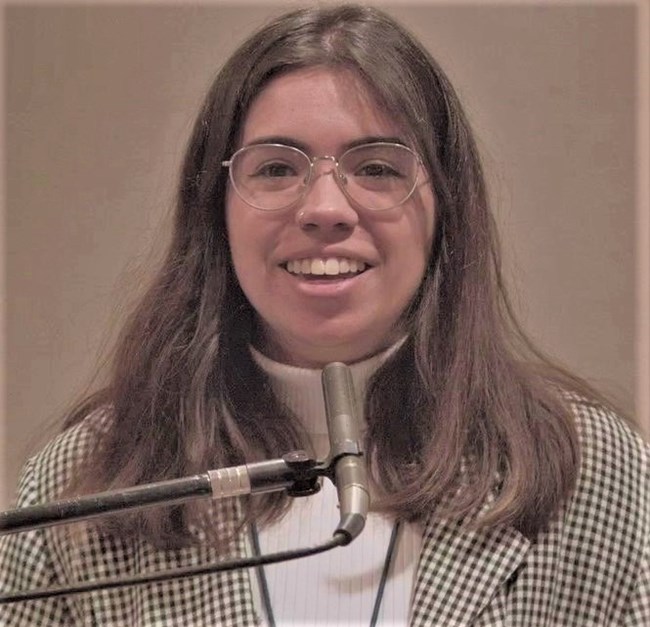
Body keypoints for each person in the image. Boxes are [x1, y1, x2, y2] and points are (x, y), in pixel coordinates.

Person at [1, 4, 648, 625]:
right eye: (279, 168)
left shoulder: (594, 473)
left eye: (377, 168)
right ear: (215, 210)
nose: (326, 208)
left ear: (448, 206)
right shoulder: (81, 487)